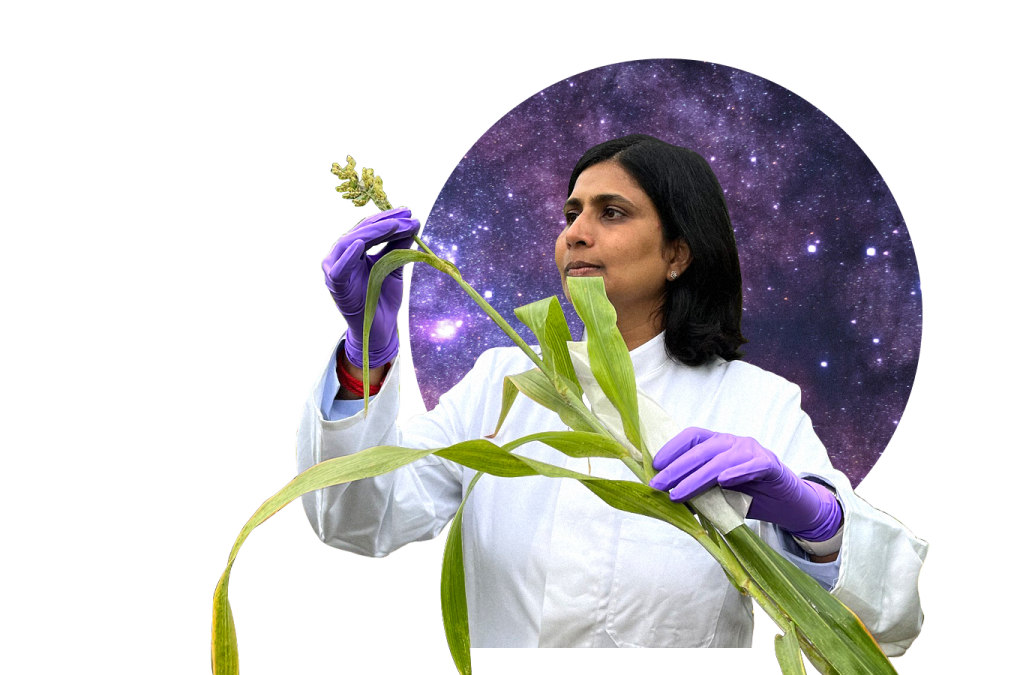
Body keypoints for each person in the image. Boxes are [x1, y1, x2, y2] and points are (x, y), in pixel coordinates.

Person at [298, 134, 928, 651]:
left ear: (678, 253)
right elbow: (358, 519)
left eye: (612, 212)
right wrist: (365, 357)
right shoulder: (504, 381)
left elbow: (885, 626)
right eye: (571, 213)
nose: (576, 231)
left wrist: (816, 521)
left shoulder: (758, 403)